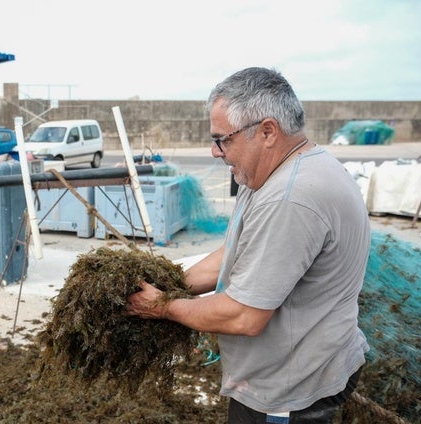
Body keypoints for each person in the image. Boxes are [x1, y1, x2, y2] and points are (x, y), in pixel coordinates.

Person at [126, 67, 370, 423]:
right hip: (288, 368)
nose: (214, 151)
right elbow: (232, 255)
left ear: (267, 131)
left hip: (290, 389)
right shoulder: (267, 175)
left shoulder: (291, 198)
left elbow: (245, 315)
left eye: (223, 139)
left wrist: (162, 307)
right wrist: (167, 284)